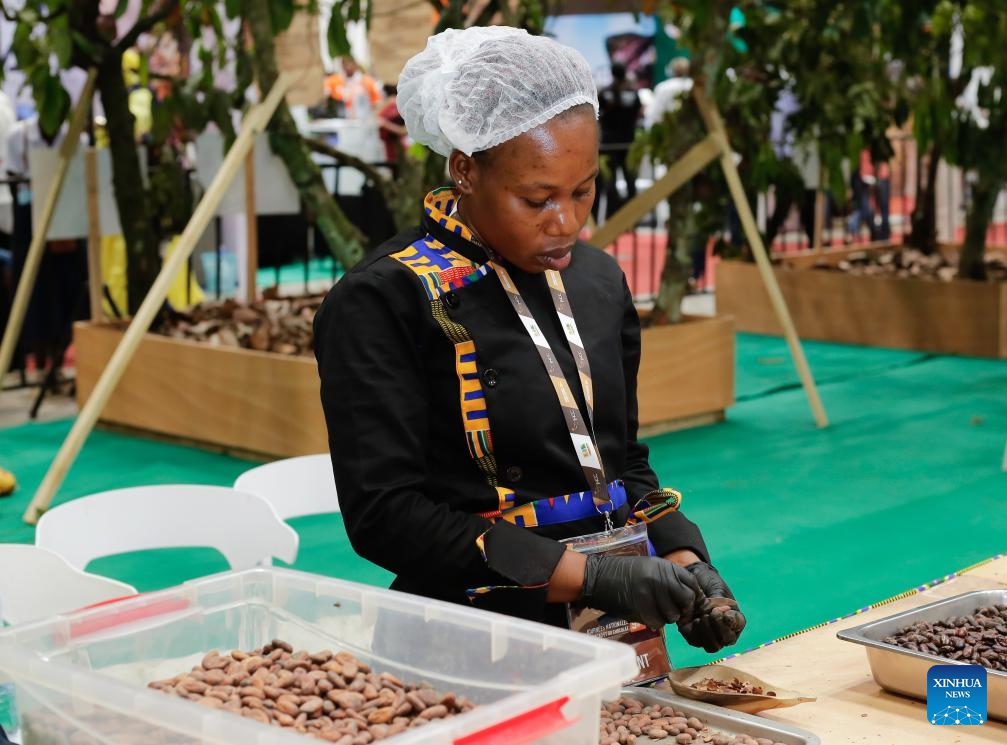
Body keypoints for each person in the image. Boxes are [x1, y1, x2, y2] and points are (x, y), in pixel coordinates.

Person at [314, 26, 746, 654]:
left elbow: (621, 461)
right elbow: (387, 517)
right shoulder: (384, 298)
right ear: (464, 170)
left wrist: (681, 558)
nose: (566, 221)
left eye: (583, 190)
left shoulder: (599, 280)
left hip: (616, 628)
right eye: (536, 198)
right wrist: (590, 576)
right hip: (463, 632)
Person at [596, 62, 642, 218]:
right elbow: (637, 115)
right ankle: (633, 217)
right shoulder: (633, 94)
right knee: (630, 181)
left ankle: (613, 217)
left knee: (611, 182)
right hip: (629, 143)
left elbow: (598, 115)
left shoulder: (605, 93)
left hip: (609, 144)